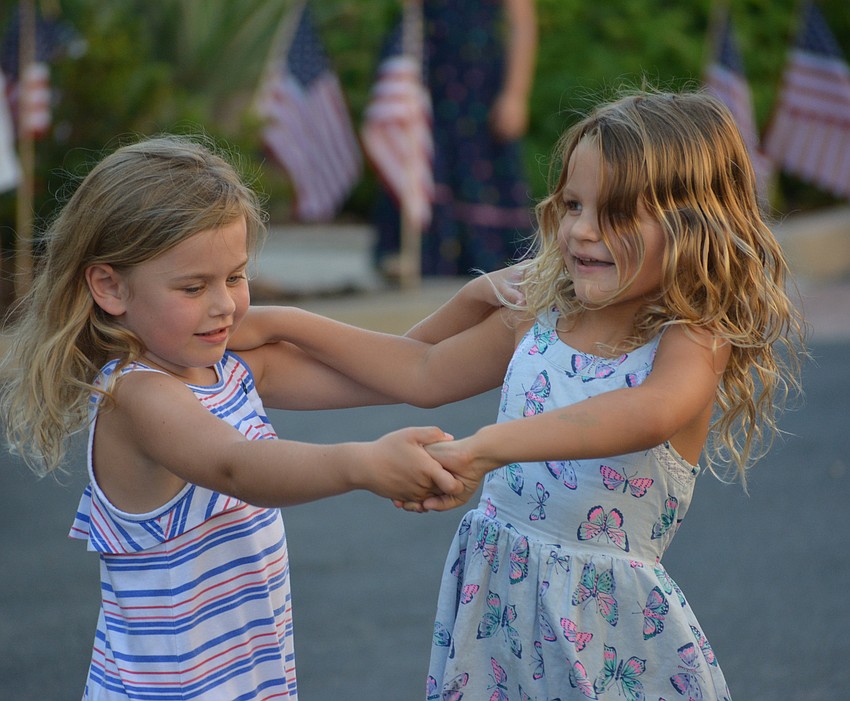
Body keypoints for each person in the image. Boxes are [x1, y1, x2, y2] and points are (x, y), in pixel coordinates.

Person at [231, 90, 806, 700]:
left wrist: (488, 448)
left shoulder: (694, 336)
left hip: (604, 638)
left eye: (614, 213)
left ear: (692, 226)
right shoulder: (542, 315)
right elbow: (418, 368)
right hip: (497, 616)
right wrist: (282, 323)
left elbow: (648, 411)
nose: (582, 231)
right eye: (574, 204)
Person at [0, 134, 502, 700]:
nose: (223, 305)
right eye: (193, 287)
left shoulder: (229, 371)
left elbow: (415, 372)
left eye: (235, 277)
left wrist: (489, 301)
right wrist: (361, 463)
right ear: (110, 286)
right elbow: (240, 466)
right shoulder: (136, 396)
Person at [375, 0, 538, 276]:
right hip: (430, 77)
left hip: (479, 83)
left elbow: (522, 24)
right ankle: (416, 254)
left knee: (481, 170)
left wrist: (515, 94)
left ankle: (488, 262)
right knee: (426, 161)